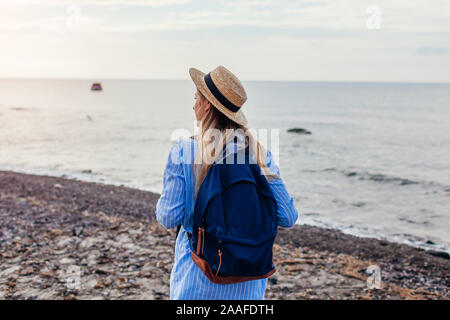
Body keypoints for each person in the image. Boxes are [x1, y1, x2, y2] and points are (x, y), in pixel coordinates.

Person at [155, 65, 298, 300]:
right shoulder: (260, 155)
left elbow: (168, 217)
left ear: (207, 105)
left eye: (195, 98)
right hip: (248, 286)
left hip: (196, 281)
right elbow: (288, 217)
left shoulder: (184, 151)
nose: (193, 105)